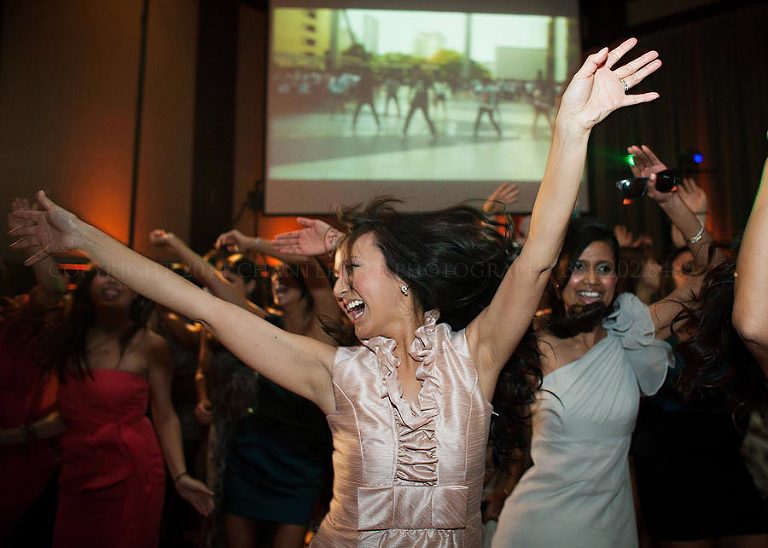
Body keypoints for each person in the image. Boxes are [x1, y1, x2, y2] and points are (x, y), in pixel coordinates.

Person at [10, 38, 661, 546]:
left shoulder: (476, 359)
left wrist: (570, 132)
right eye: (337, 270)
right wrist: (83, 237)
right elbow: (200, 303)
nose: (338, 283)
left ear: (405, 279)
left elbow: (535, 259)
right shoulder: (332, 372)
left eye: (353, 268)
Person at [491, 162, 714, 546]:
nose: (592, 279)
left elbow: (710, 275)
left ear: (616, 278)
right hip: (538, 528)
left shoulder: (632, 333)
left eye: (604, 268)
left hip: (613, 527)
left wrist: (672, 203)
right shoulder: (531, 343)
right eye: (578, 267)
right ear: (558, 274)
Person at [152, 228, 337, 547]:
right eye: (275, 277)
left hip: (301, 457)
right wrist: (175, 244)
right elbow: (215, 283)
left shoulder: (325, 324)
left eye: (287, 277)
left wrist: (252, 244)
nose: (278, 281)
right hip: (252, 450)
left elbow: (314, 270)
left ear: (305, 288)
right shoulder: (268, 325)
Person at [34, 266, 213, 547]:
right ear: (89, 284)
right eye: (103, 273)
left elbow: (165, 416)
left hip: (132, 470)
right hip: (77, 467)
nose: (112, 281)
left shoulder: (151, 345)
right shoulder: (71, 338)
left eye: (122, 275)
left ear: (136, 291)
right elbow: (69, 413)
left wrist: (180, 475)